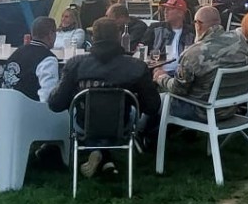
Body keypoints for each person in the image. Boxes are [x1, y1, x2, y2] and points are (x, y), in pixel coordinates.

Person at [48, 18, 162, 177]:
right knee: (118, 113)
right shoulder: (136, 66)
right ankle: (105, 159)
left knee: (79, 106)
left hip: (84, 124)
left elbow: (55, 104)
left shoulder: (75, 64)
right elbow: (153, 106)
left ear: (93, 38)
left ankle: (99, 154)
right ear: (118, 36)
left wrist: (72, 94)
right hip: (122, 125)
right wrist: (135, 98)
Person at [152, 6, 247, 122]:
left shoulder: (194, 53)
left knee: (155, 101)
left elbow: (178, 89)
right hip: (231, 107)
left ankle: (144, 136)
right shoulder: (239, 41)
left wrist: (161, 77)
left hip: (203, 110)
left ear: (199, 25)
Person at [3, 17, 59, 102]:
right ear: (51, 34)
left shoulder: (16, 53)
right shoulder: (48, 59)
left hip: (8, 104)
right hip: (31, 108)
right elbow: (48, 95)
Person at [145, 0, 195, 74]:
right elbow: (142, 51)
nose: (165, 11)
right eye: (165, 8)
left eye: (170, 9)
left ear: (180, 13)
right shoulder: (155, 29)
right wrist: (155, 67)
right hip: (158, 73)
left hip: (183, 74)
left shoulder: (192, 32)